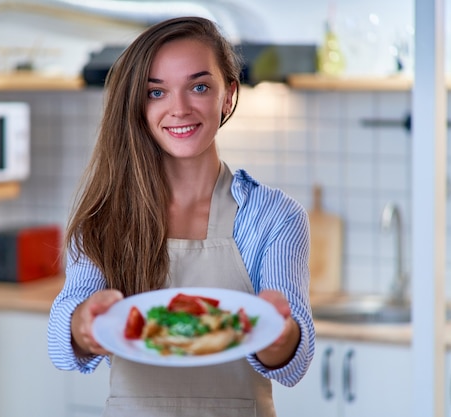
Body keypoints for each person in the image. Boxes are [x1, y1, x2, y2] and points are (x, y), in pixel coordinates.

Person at [48, 16, 314, 417]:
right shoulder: (106, 217)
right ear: (139, 105)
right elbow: (60, 342)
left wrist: (278, 334)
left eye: (199, 87)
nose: (180, 108)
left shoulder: (273, 217)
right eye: (157, 93)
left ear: (228, 96)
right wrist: (83, 324)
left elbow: (296, 362)